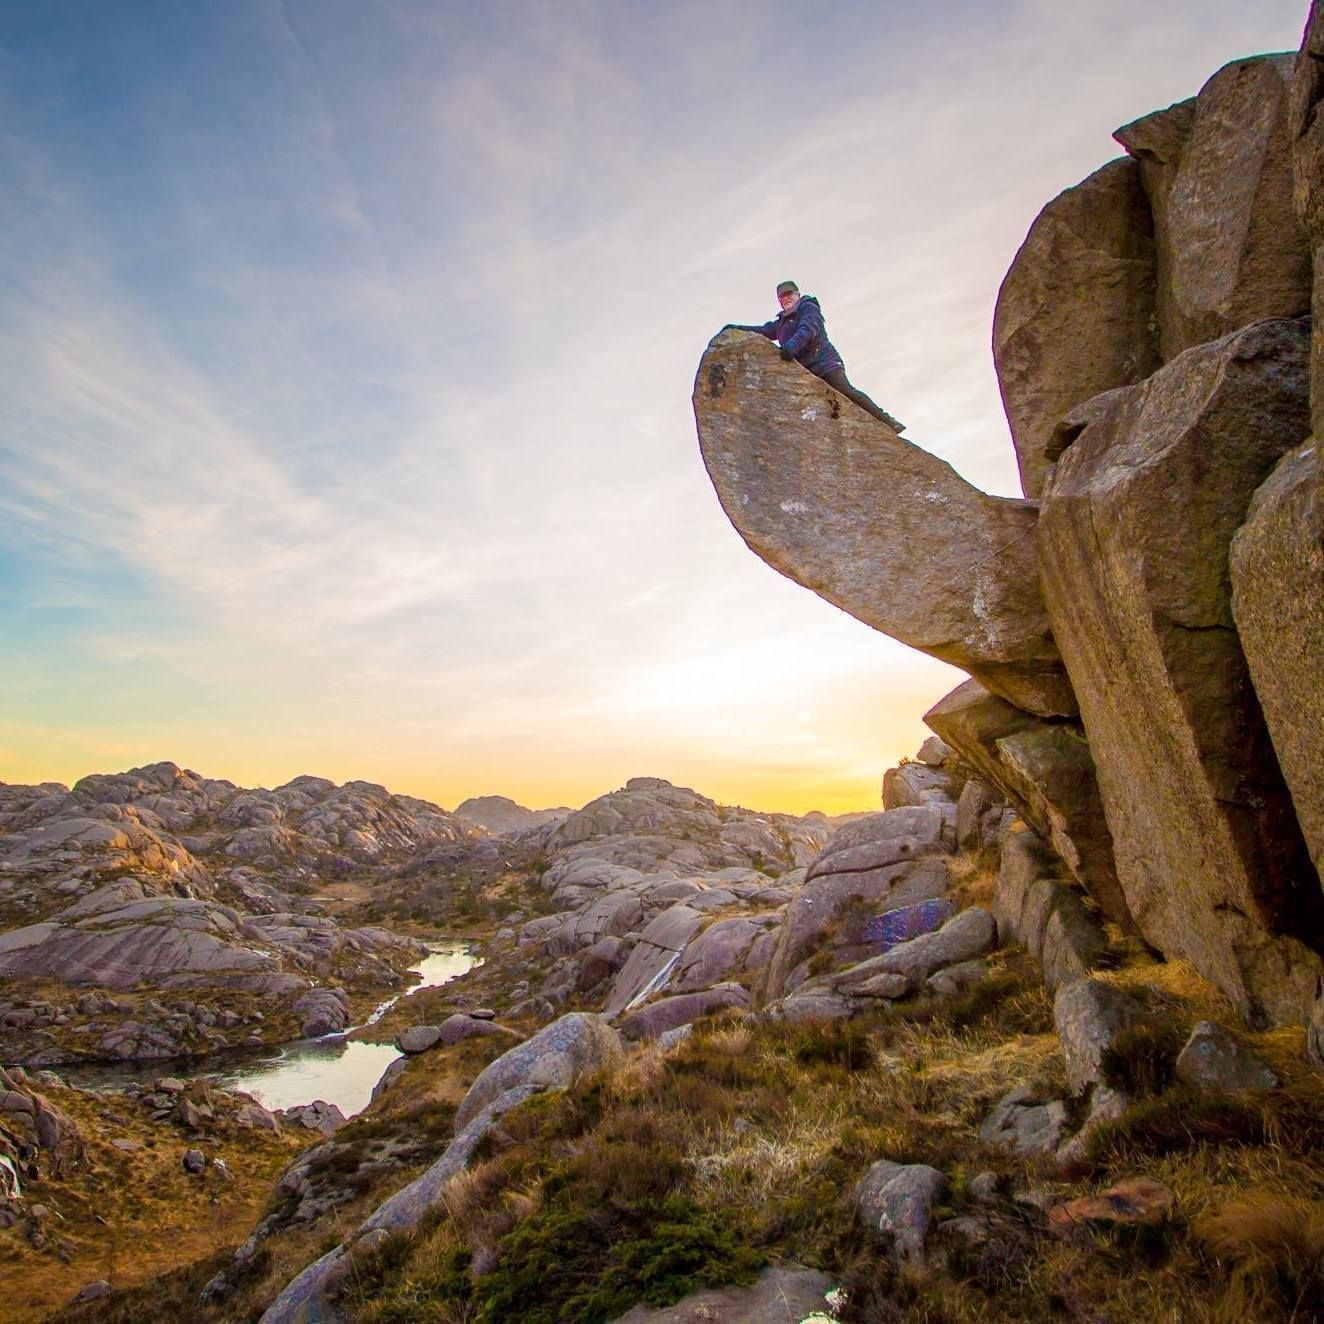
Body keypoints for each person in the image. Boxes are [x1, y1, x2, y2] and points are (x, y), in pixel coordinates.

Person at [731, 280, 905, 433]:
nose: (785, 298)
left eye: (789, 294)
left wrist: (792, 345)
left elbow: (809, 329)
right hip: (806, 371)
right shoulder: (782, 322)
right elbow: (764, 331)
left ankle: (887, 422)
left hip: (825, 363)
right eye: (781, 297)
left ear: (797, 294)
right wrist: (737, 328)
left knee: (845, 391)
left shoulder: (809, 308)